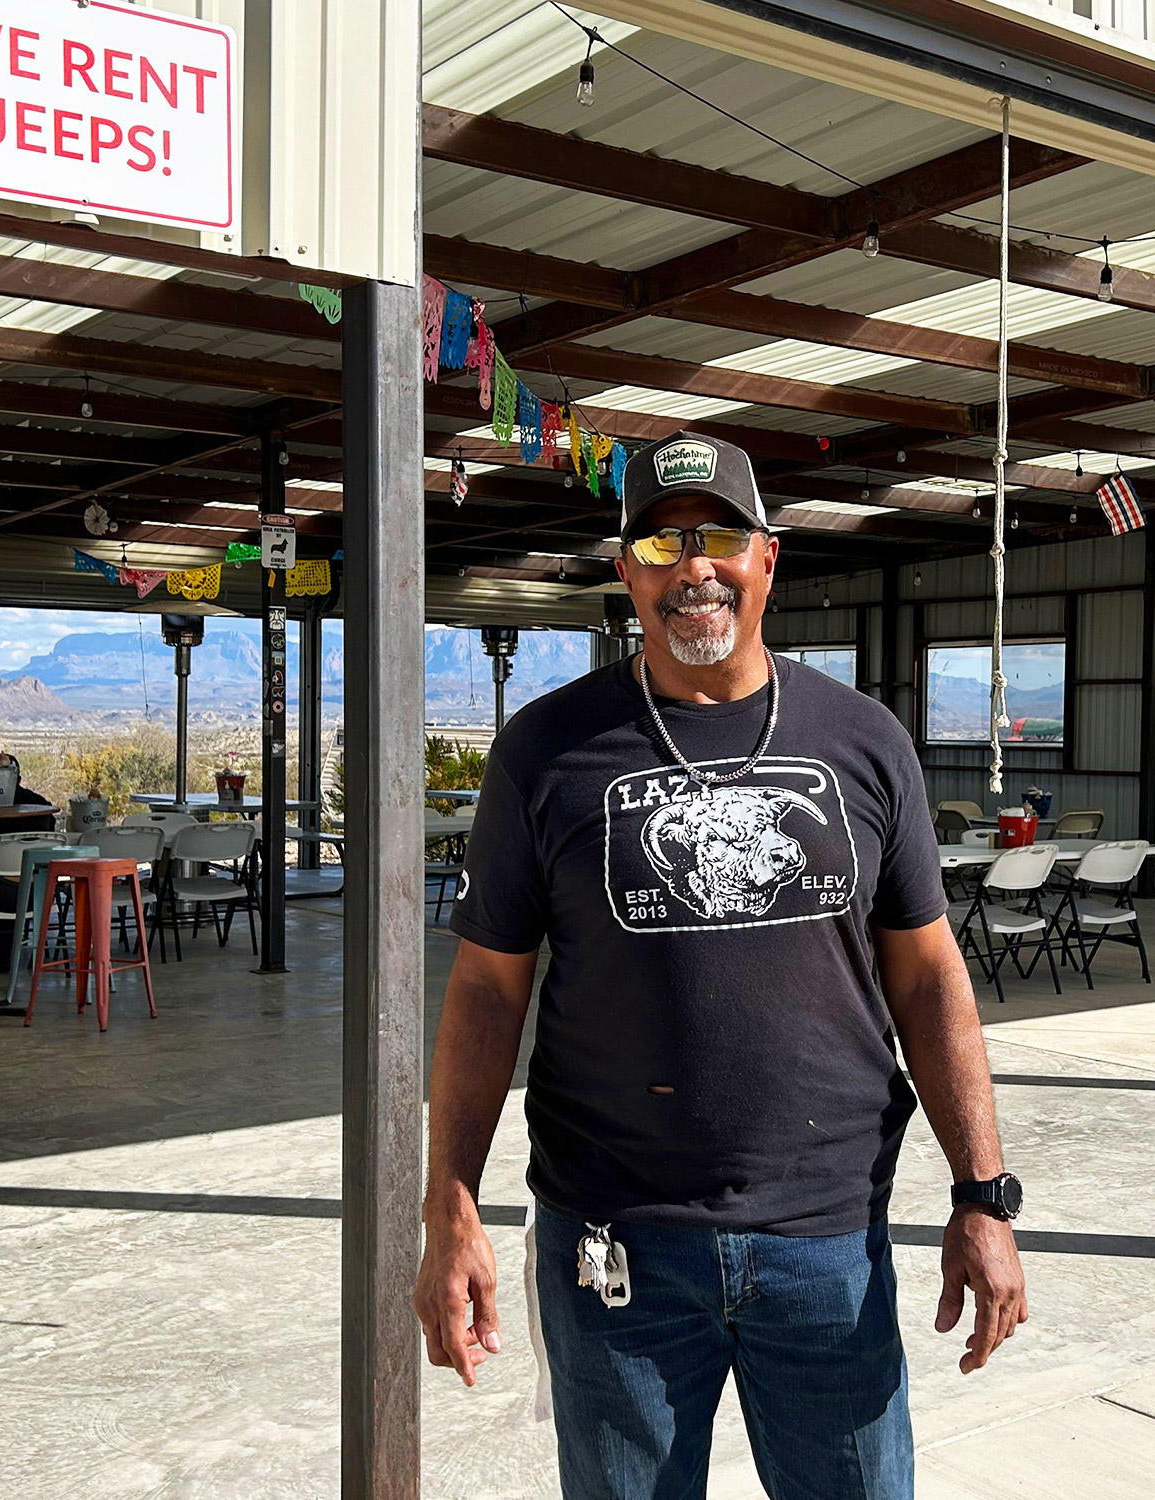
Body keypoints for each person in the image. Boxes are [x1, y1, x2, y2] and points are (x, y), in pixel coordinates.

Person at [416, 431, 1028, 1500]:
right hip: (617, 1247)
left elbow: (929, 977)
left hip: (827, 1239)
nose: (692, 564)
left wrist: (983, 1195)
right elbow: (485, 989)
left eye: (719, 537)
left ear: (767, 560)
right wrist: (448, 1204)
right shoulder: (548, 750)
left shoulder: (863, 741)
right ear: (626, 571)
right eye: (660, 539)